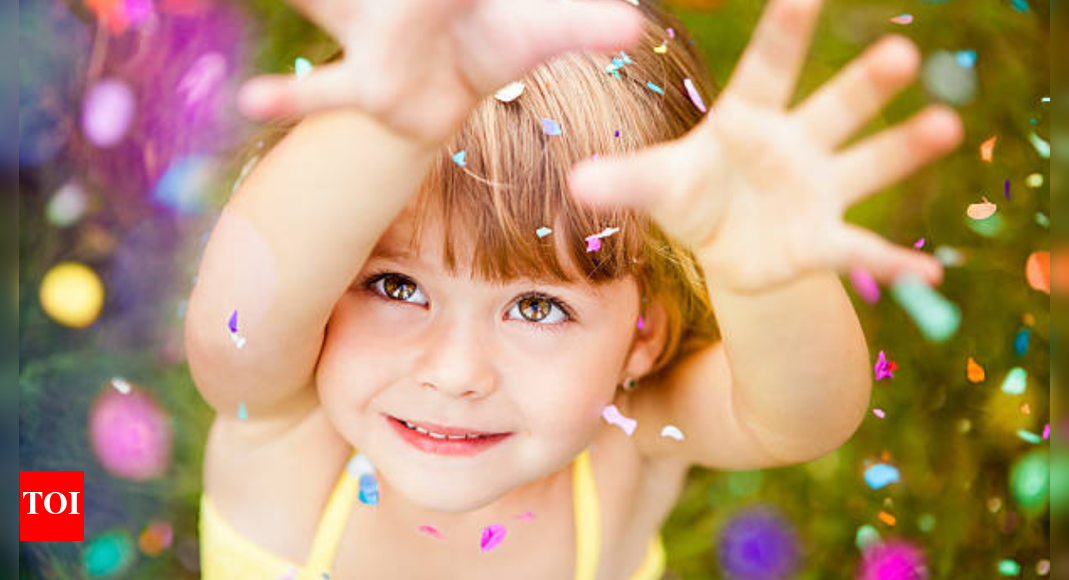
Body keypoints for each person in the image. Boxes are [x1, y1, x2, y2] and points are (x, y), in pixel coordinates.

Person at [184, 0, 963, 578]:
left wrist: (763, 277)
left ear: (642, 335)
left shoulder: (635, 439)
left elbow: (800, 420)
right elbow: (235, 331)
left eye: (536, 306)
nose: (455, 374)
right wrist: (388, 131)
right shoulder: (287, 427)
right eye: (394, 285)